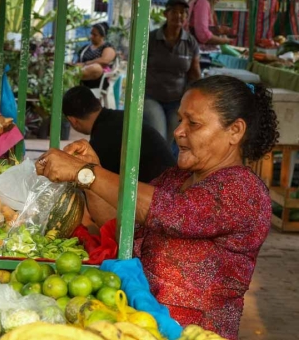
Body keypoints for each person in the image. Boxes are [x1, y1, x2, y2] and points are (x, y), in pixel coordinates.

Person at [36, 75, 279, 339]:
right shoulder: (176, 178)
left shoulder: (243, 191)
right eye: (180, 120)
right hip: (137, 323)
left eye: (193, 124)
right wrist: (89, 180)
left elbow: (170, 212)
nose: (178, 131)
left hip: (190, 333)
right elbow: (124, 225)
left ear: (235, 131)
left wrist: (87, 172)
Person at [63, 86, 176, 227]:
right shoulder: (120, 118)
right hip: (168, 190)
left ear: (73, 121)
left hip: (159, 201)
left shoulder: (100, 140)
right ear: (97, 102)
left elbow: (99, 192)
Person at [144, 0, 202, 152]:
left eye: (182, 12)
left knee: (173, 138)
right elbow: (139, 67)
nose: (179, 15)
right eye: (174, 11)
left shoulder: (190, 42)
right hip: (151, 98)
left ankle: (166, 172)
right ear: (166, 14)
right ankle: (152, 172)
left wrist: (198, 97)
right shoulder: (151, 39)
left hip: (177, 101)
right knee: (159, 135)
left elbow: (194, 74)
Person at [75, 23, 117, 89]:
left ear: (102, 36)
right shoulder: (85, 48)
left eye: (95, 35)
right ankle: (73, 75)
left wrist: (85, 64)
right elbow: (78, 62)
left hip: (97, 79)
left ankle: (73, 75)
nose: (91, 36)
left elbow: (105, 61)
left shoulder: (108, 47)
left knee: (96, 68)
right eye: (91, 34)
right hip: (82, 77)